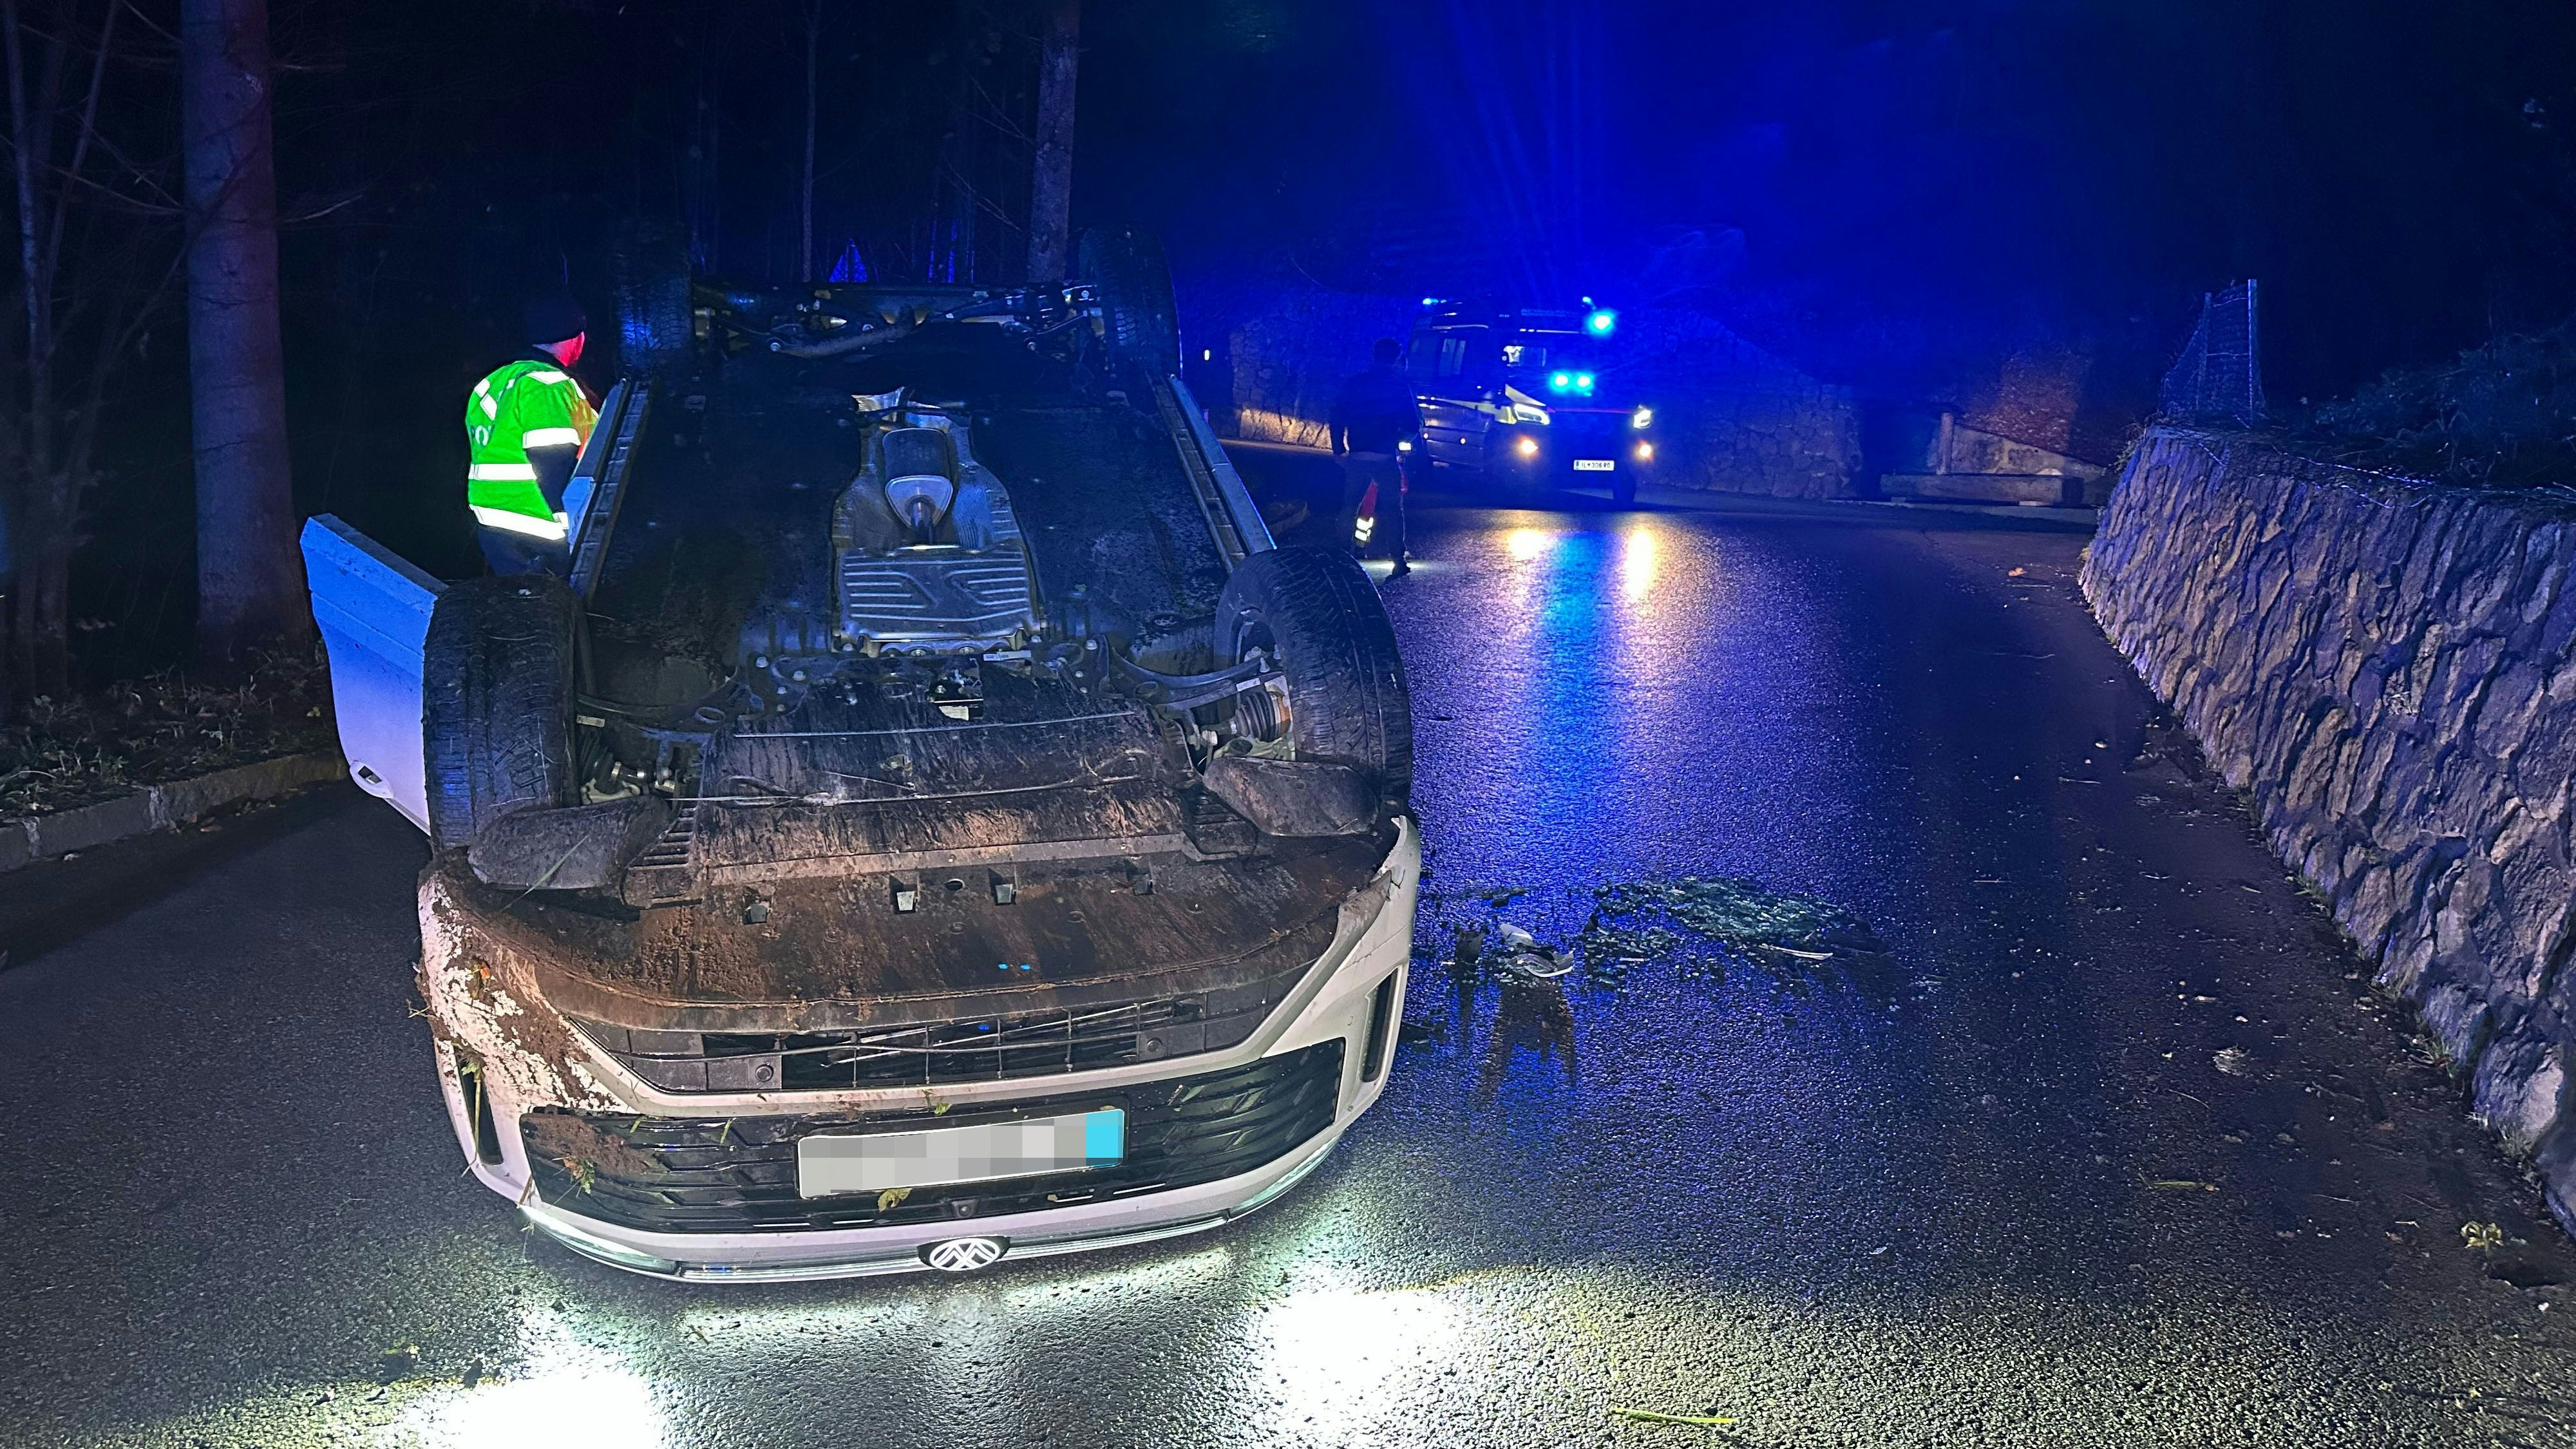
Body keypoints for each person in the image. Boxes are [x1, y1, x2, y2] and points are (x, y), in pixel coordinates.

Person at [464, 292, 598, 576]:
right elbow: (553, 464)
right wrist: (571, 534)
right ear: (576, 338)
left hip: (495, 529)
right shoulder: (547, 385)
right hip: (540, 534)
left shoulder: (495, 381)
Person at [1327, 336, 1421, 575]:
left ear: (1374, 355)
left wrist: (1339, 449)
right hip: (1385, 456)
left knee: (1349, 506)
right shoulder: (1400, 387)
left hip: (1358, 454)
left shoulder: (1356, 383)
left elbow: (1337, 417)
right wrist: (1399, 442)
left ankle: (1341, 556)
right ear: (1397, 357)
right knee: (1392, 508)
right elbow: (1413, 424)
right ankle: (1398, 560)